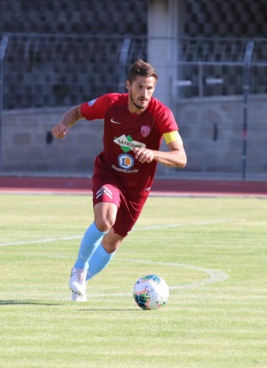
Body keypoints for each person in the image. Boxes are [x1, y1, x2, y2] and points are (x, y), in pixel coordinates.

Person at [51, 59, 187, 301]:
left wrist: (154, 153)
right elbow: (78, 111)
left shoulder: (161, 114)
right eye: (139, 87)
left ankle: (79, 283)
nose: (144, 94)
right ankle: (80, 268)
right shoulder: (111, 104)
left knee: (113, 242)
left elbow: (181, 157)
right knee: (104, 221)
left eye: (149, 88)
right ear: (128, 86)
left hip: (137, 187)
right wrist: (64, 124)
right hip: (110, 173)